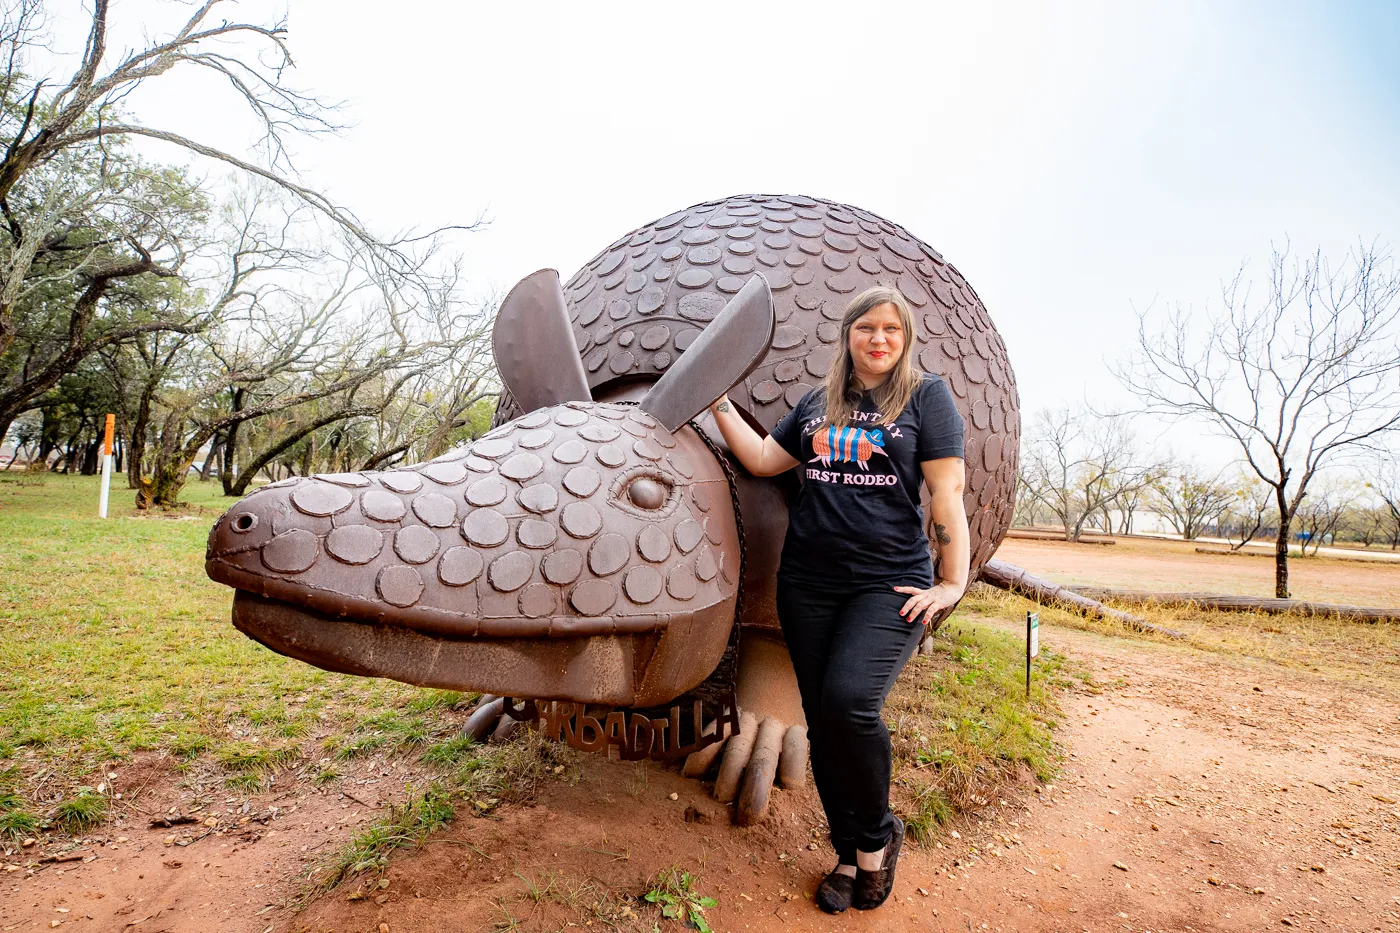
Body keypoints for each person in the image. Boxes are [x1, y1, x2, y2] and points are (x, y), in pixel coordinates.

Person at [706, 285, 969, 913]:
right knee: (823, 721)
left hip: (888, 583)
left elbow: (946, 493)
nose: (879, 340)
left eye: (892, 331)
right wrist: (715, 404)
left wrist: (952, 581)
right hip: (809, 584)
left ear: (904, 341)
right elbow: (767, 458)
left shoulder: (926, 398)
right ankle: (848, 857)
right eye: (866, 328)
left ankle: (877, 841)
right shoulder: (817, 403)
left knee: (851, 704)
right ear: (847, 334)